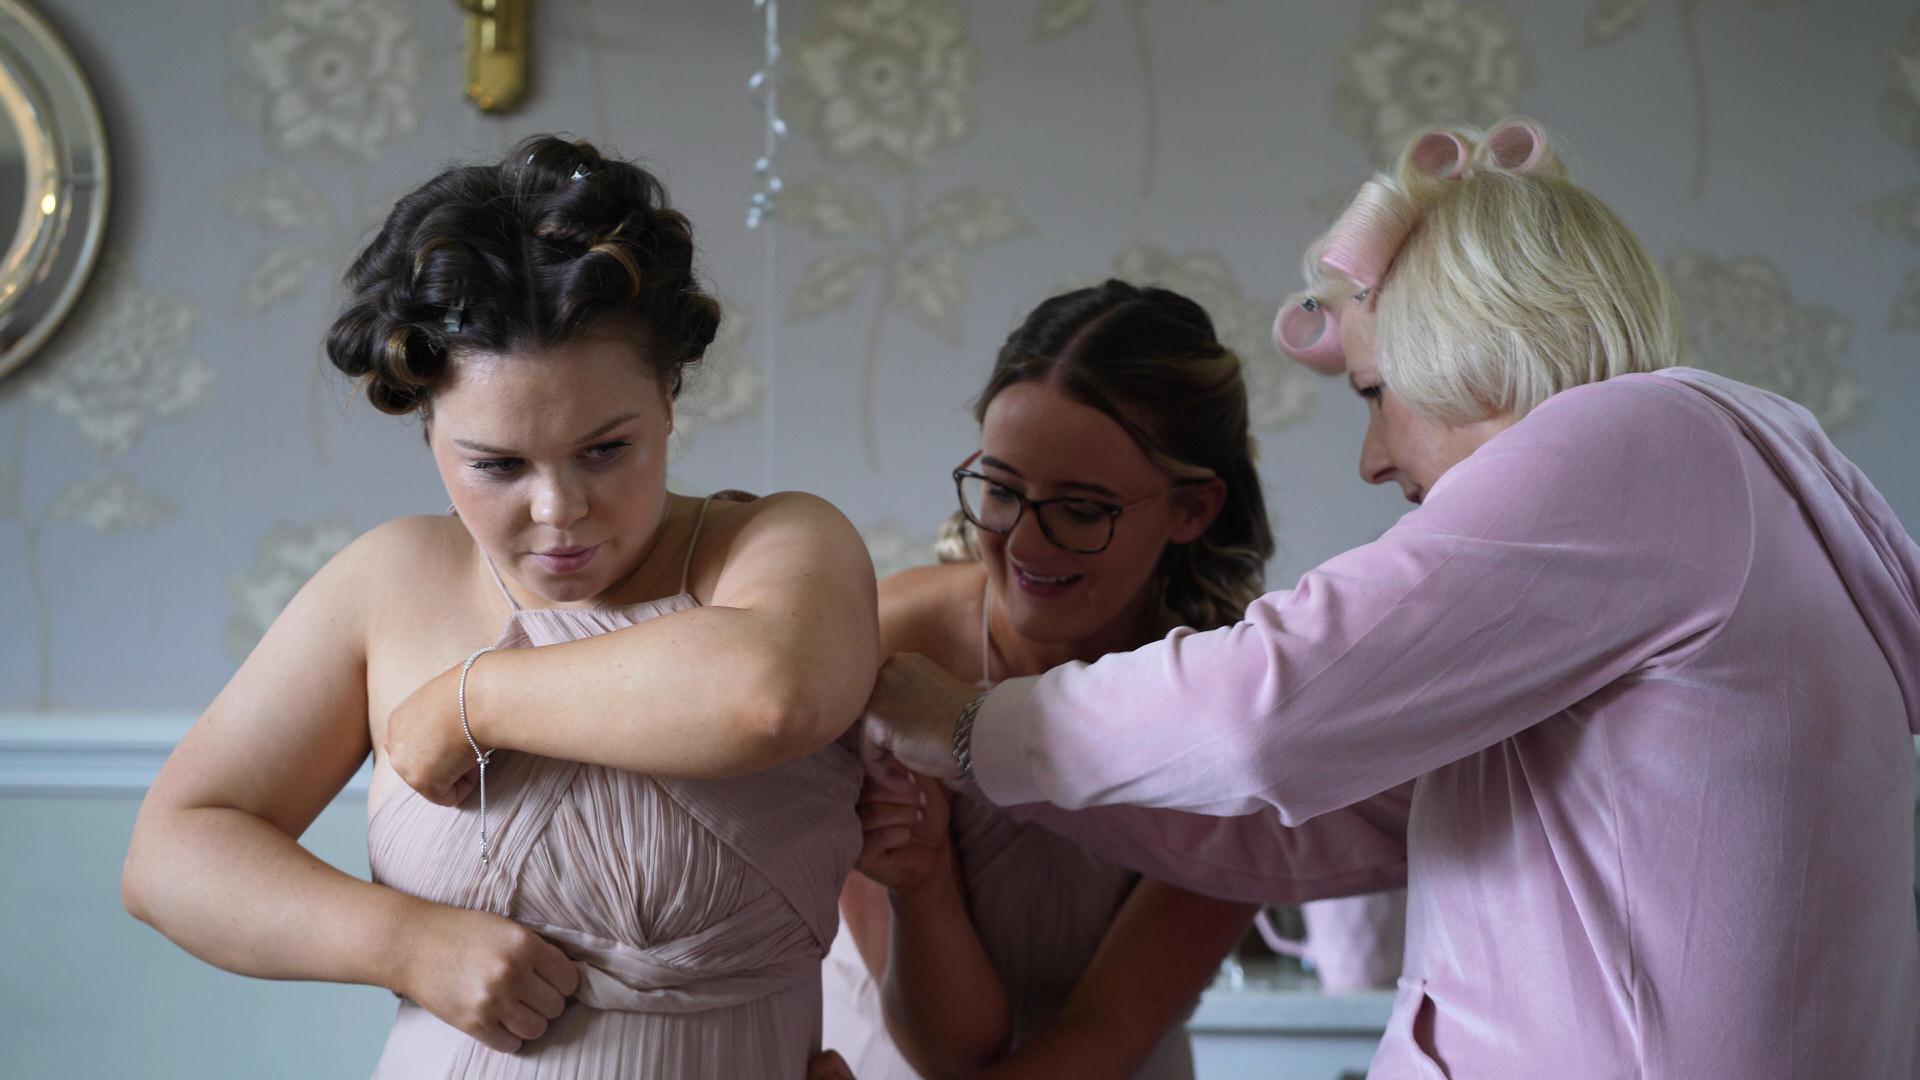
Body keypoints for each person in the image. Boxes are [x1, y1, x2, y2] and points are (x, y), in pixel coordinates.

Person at [859, 118, 1920, 1079]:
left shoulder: (1643, 440)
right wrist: (1003, 766)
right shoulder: (1691, 514)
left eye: (1376, 394)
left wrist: (973, 728)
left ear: (1471, 358)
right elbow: (1331, 827)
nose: (1372, 459)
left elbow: (1267, 709)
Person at [122, 135, 881, 1078]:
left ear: (669, 393)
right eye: (498, 465)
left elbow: (770, 695)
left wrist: (470, 701)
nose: (559, 509)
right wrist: (404, 944)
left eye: (606, 450)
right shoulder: (390, 581)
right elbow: (170, 855)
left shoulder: (775, 544)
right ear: (427, 427)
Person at [823, 281, 1266, 1079]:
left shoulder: (1229, 711)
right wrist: (922, 882)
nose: (1027, 545)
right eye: (1001, 490)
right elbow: (946, 1049)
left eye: (1083, 509)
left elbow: (1103, 1035)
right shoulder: (884, 650)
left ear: (1192, 509)